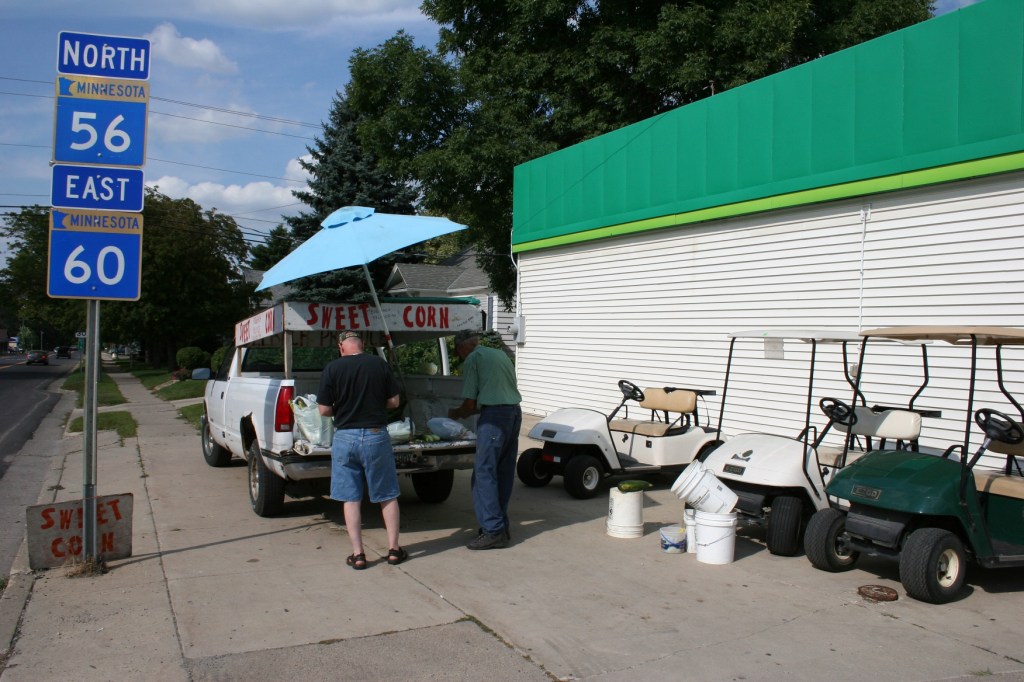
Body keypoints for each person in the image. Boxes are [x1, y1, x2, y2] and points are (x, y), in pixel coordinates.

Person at [317, 331, 407, 570]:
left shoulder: (333, 369)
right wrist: (375, 404)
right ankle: (394, 550)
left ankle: (358, 555)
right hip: (376, 435)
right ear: (363, 345)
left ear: (341, 347)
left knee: (351, 497)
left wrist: (343, 408)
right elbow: (395, 402)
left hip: (345, 437)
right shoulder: (379, 364)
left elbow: (324, 410)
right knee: (387, 493)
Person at [448, 331, 522, 550]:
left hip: (495, 419)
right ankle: (500, 525)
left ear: (463, 348)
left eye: (459, 353)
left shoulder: (473, 359)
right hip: (514, 414)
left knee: (483, 474)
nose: (460, 358)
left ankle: (493, 530)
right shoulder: (499, 354)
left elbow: (471, 404)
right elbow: (495, 393)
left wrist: (455, 414)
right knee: (503, 472)